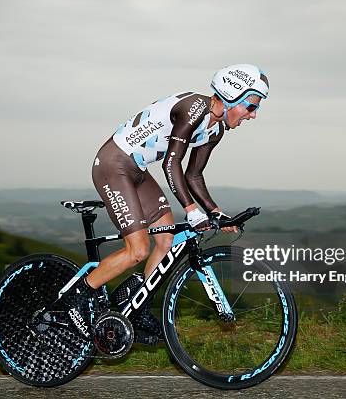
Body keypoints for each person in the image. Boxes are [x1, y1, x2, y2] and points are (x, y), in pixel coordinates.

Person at [66, 64, 269, 341]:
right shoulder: (194, 107)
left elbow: (193, 175)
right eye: (251, 106)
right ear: (233, 95)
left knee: (166, 242)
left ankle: (135, 309)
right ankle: (76, 299)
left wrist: (216, 212)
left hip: (136, 169)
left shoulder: (215, 131)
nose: (253, 115)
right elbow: (171, 163)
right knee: (137, 250)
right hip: (114, 163)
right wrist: (191, 210)